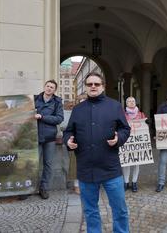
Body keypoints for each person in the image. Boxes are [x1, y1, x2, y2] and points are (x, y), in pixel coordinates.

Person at [63, 72, 131, 233]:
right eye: (90, 84)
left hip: (111, 168)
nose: (93, 86)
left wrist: (119, 138)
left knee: (120, 210)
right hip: (86, 168)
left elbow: (125, 128)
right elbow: (69, 131)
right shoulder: (78, 109)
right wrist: (68, 141)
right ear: (86, 87)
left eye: (96, 84)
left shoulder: (114, 106)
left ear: (103, 87)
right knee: (90, 211)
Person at [35, 79, 64, 199]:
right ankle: (28, 188)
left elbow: (59, 118)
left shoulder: (57, 102)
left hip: (49, 138)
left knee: (48, 164)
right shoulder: (34, 99)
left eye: (52, 87)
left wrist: (42, 117)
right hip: (34, 136)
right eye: (47, 86)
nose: (49, 88)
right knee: (33, 164)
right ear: (44, 86)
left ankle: (44, 188)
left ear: (54, 90)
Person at [122, 96, 146, 192]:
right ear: (126, 103)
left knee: (136, 163)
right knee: (126, 162)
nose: (131, 102)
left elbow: (145, 127)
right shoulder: (123, 115)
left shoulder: (141, 114)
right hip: (127, 142)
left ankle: (134, 182)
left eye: (133, 101)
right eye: (129, 101)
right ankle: (126, 182)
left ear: (136, 103)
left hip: (137, 142)